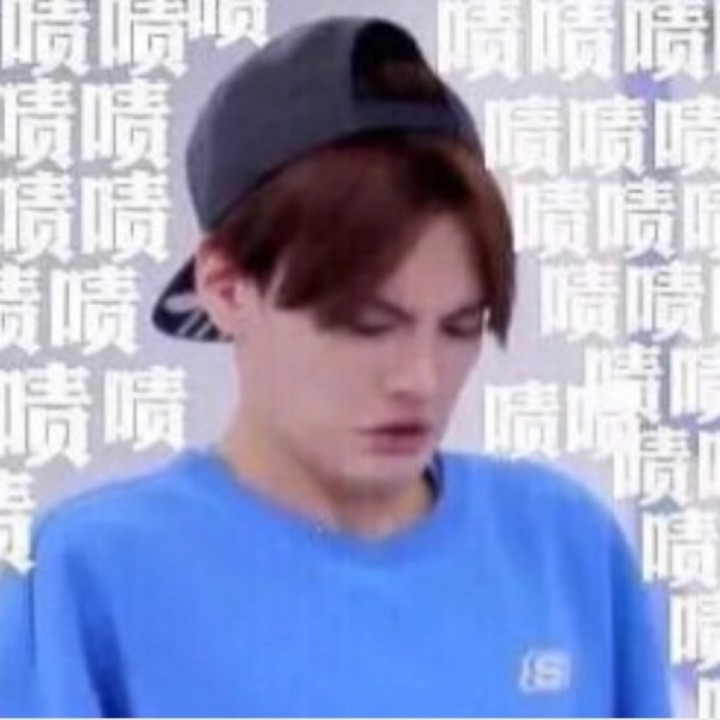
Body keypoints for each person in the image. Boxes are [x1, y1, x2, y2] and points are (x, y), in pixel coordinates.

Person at [0, 15, 671, 718]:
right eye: (367, 326)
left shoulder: (562, 546)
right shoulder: (93, 573)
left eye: (459, 327)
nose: (421, 378)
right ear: (225, 287)